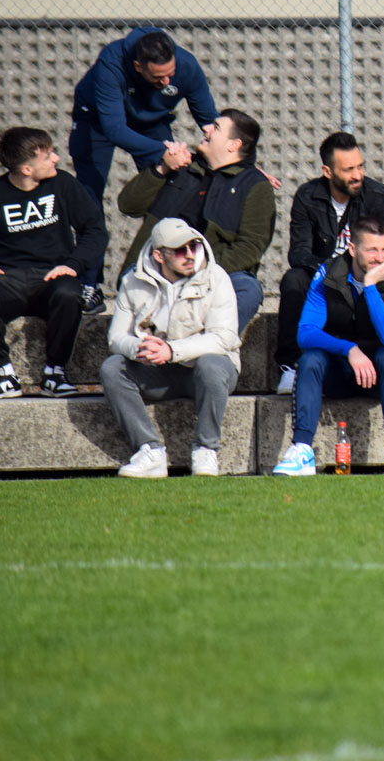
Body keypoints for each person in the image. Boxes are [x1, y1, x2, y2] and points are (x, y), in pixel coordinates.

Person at [68, 27, 218, 309]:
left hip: (152, 123)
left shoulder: (187, 65)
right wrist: (165, 153)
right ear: (138, 66)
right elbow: (115, 129)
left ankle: (175, 275)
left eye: (170, 74)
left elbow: (210, 122)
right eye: (158, 77)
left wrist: (242, 163)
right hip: (97, 122)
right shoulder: (112, 64)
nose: (167, 81)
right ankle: (89, 284)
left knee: (175, 190)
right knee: (89, 199)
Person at [0, 127, 108, 398]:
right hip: (7, 280)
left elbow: (95, 230)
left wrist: (73, 264)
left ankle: (55, 373)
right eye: (48, 156)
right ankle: (4, 374)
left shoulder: (63, 184)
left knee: (69, 293)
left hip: (53, 276)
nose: (56, 159)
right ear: (26, 169)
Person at [273, 215, 384, 476]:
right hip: (339, 369)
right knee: (310, 359)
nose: (380, 258)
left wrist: (370, 287)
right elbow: (305, 333)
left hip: (380, 375)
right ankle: (302, 450)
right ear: (352, 249)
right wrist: (349, 349)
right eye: (371, 250)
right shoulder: (328, 274)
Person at [102, 219, 241, 479]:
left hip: (207, 371)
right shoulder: (132, 281)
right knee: (112, 368)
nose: (190, 255)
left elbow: (223, 338)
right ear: (159, 255)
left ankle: (206, 449)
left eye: (193, 247)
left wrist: (171, 349)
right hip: (158, 370)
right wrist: (141, 347)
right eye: (179, 250)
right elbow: (116, 338)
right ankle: (149, 451)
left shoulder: (216, 277)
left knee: (211, 364)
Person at [116, 109, 273, 332]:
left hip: (214, 273)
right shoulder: (180, 166)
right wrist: (162, 168)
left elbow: (250, 247)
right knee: (134, 280)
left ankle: (210, 344)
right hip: (158, 268)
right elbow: (128, 205)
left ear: (233, 145)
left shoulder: (254, 185)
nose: (205, 129)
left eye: (216, 127)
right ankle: (152, 345)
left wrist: (201, 270)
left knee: (248, 290)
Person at [275, 132, 384, 394]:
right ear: (327, 172)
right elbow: (299, 254)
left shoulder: (376, 195)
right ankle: (290, 366)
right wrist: (334, 273)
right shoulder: (308, 196)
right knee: (294, 280)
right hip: (323, 276)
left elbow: (383, 251)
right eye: (348, 169)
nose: (357, 175)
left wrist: (355, 274)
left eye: (360, 166)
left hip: (362, 276)